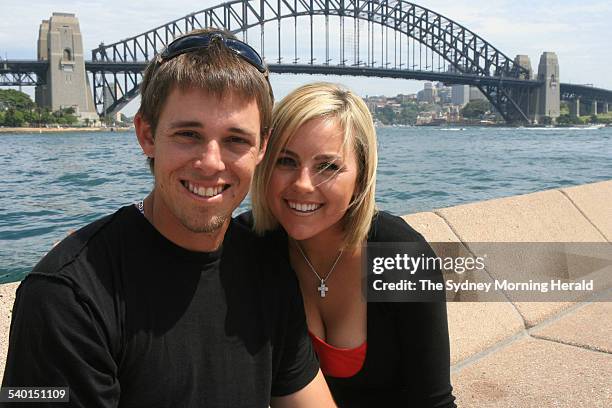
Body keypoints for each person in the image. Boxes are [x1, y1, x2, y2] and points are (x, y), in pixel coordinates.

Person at [1, 29, 335, 407]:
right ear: (146, 134)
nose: (211, 162)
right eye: (188, 134)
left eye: (236, 140)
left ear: (261, 147)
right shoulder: (66, 297)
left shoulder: (268, 268)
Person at [243, 82, 456, 407]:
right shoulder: (248, 247)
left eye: (327, 167)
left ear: (361, 177)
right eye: (285, 161)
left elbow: (433, 402)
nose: (302, 183)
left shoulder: (402, 257)